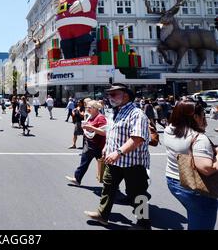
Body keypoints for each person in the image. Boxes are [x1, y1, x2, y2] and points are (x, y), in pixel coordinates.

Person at [84, 84, 151, 229]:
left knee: (137, 194)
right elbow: (111, 132)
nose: (110, 97)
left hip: (133, 162)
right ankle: (103, 215)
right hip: (114, 160)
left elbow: (137, 138)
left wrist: (118, 152)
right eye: (109, 94)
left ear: (126, 96)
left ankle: (143, 223)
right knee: (108, 187)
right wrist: (107, 148)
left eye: (114, 94)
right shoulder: (115, 112)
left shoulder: (136, 113)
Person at [164, 100, 218, 230]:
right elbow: (206, 169)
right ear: (195, 117)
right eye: (202, 115)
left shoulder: (169, 129)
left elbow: (185, 149)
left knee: (194, 214)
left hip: (174, 181)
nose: (204, 118)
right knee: (202, 222)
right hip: (196, 188)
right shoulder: (198, 138)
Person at [66, 101, 107, 185]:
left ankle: (111, 183)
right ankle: (77, 178)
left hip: (97, 145)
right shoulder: (91, 116)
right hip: (90, 143)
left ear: (95, 108)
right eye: (87, 107)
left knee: (103, 165)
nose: (87, 109)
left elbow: (104, 131)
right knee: (85, 162)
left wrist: (90, 127)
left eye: (89, 107)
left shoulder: (100, 118)